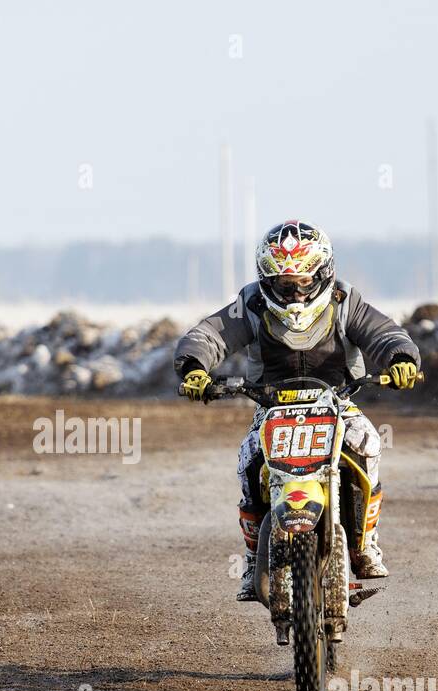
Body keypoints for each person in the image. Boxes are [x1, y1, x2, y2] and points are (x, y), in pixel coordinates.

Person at [174, 221, 421, 601]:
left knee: (369, 444)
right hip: (270, 407)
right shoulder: (252, 303)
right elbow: (210, 334)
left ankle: (365, 543)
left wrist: (401, 358)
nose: (295, 293)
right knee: (247, 460)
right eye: (284, 285)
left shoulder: (345, 300)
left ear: (323, 274)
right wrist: (193, 365)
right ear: (265, 280)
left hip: (338, 403)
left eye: (304, 282)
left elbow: (384, 332)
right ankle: (253, 553)